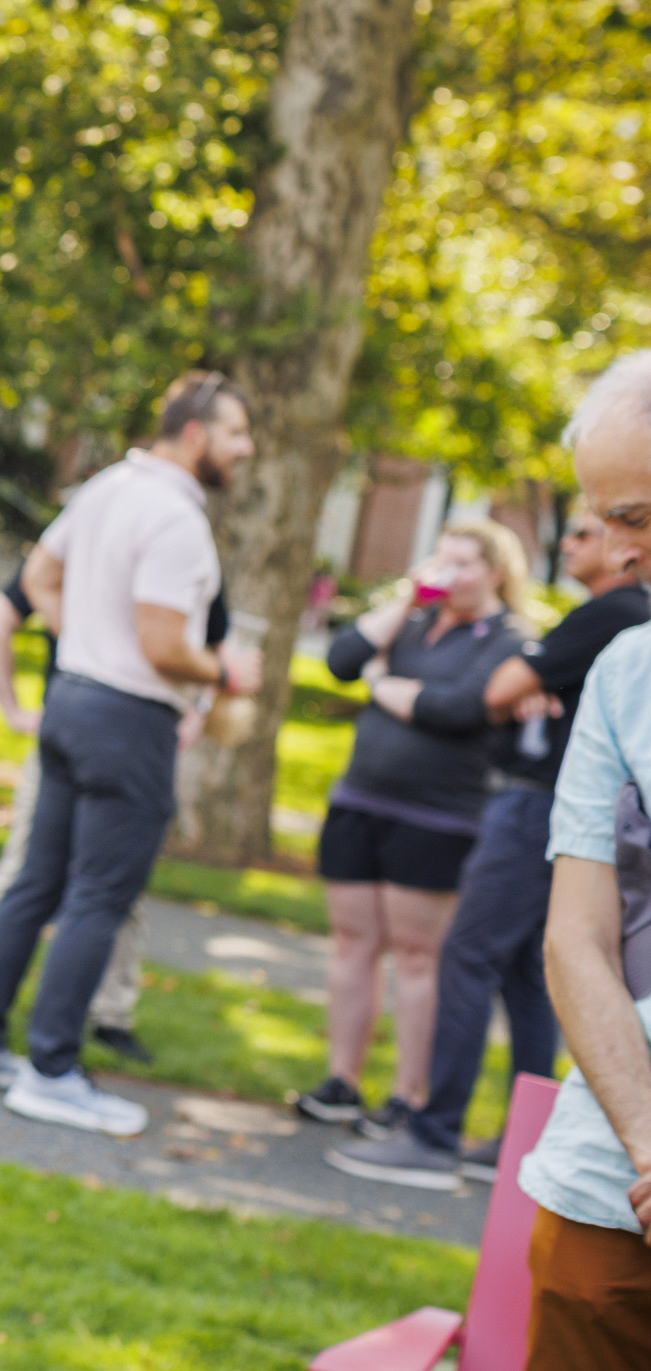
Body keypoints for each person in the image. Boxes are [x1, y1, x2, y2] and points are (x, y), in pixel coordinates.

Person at [0, 371, 262, 1137]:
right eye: (237, 434)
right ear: (194, 434)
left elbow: (41, 577)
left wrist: (83, 634)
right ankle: (52, 1068)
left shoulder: (105, 487)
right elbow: (163, 646)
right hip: (129, 718)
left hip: (72, 699)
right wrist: (227, 671)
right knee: (98, 897)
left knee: (36, 883)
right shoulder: (178, 516)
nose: (245, 450)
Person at [329, 506, 647, 1189]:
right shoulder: (603, 622)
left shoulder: (612, 612)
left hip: (535, 811)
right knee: (527, 975)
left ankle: (432, 1135)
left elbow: (489, 695)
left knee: (466, 955)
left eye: (593, 529)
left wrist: (522, 688)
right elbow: (503, 701)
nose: (574, 540)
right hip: (549, 806)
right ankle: (517, 1140)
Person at [294, 519, 531, 1138]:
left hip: (437, 818)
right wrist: (403, 601)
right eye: (440, 561)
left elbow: (457, 709)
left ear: (495, 573)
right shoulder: (413, 621)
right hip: (359, 802)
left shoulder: (507, 637)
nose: (446, 575)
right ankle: (341, 1081)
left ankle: (408, 1096)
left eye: (463, 565)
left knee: (418, 955)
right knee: (353, 942)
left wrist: (383, 684)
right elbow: (343, 661)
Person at [520, 351, 651, 1365]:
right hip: (613, 1175)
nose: (619, 554)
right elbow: (576, 936)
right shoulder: (622, 670)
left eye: (637, 517)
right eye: (606, 519)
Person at [0, 570, 152, 1061]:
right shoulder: (134, 543)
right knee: (69, 881)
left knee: (54, 877)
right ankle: (59, 1024)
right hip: (113, 734)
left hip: (72, 726)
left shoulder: (77, 544)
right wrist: (13, 710)